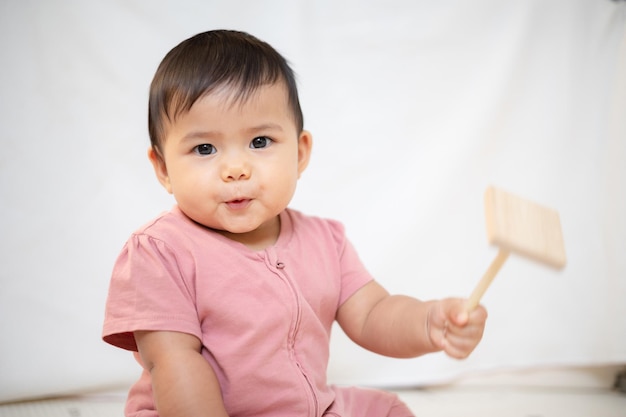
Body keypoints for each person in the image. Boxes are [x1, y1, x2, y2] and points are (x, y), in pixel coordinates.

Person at [102, 29, 488, 417]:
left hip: (308, 409)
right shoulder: (160, 253)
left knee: (384, 410)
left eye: (260, 142)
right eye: (205, 148)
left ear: (300, 152)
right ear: (164, 168)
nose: (236, 169)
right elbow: (174, 363)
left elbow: (373, 315)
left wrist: (428, 323)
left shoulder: (324, 241)